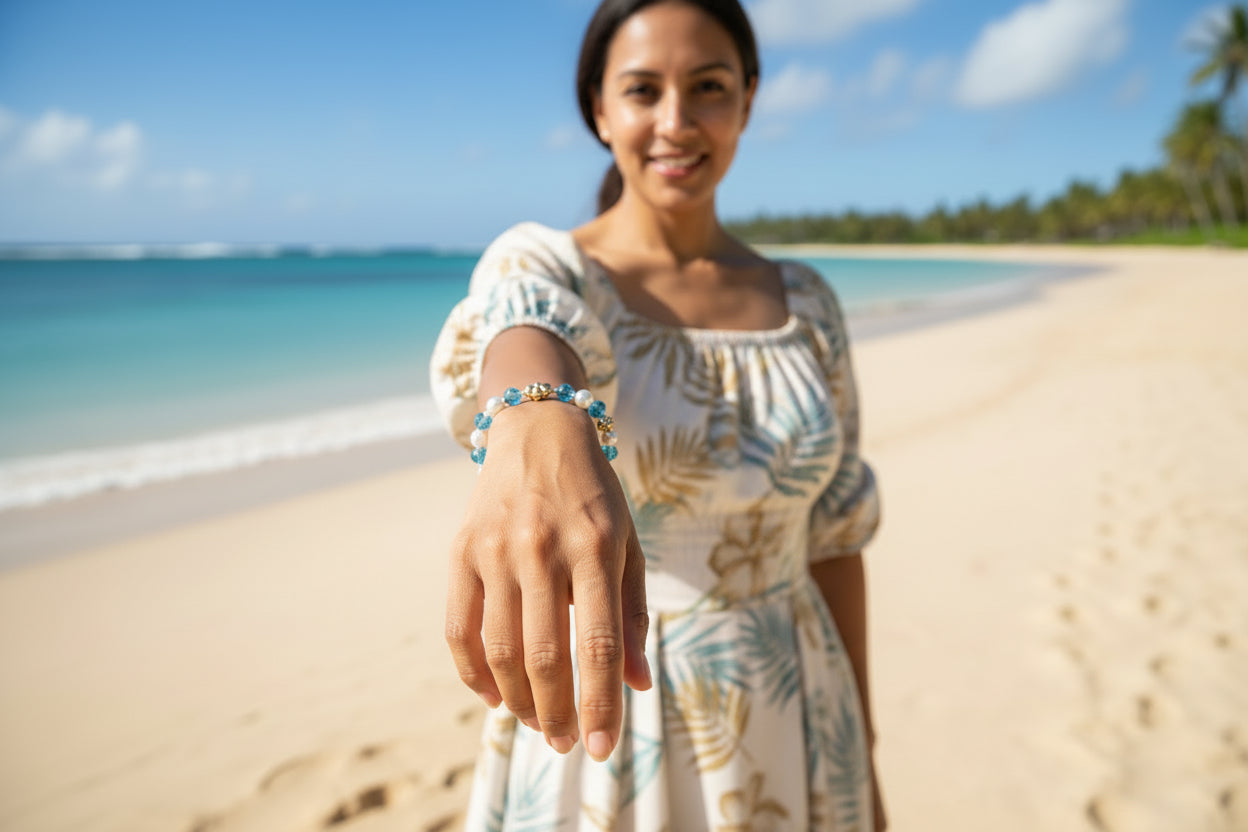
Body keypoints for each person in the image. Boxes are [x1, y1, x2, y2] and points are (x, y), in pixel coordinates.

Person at [430, 0, 885, 828]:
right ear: (600, 110)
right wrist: (536, 418)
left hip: (800, 698)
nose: (675, 122)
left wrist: (867, 754)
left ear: (747, 99)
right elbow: (521, 325)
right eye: (642, 91)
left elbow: (835, 541)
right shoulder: (552, 264)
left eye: (707, 87)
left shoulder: (808, 302)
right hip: (618, 716)